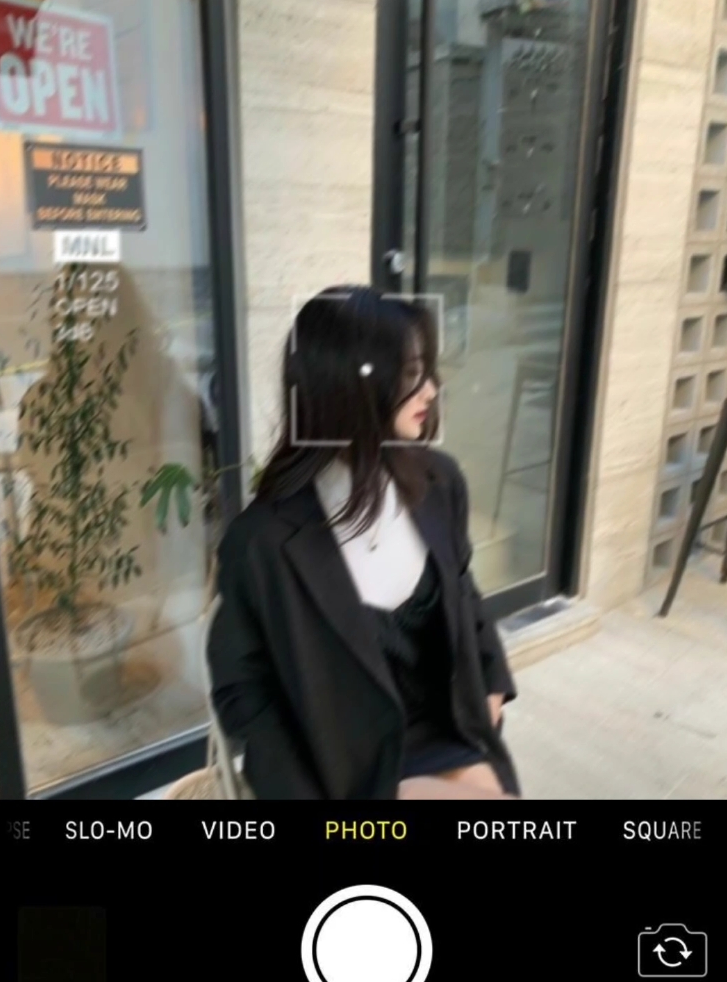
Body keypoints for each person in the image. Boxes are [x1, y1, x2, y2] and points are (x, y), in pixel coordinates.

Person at [207, 286, 521, 801]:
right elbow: (245, 692)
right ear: (347, 386)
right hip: (344, 771)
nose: (431, 391)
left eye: (427, 371)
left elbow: (465, 594)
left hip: (450, 734)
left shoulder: (440, 483)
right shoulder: (262, 541)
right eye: (411, 374)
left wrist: (490, 687)